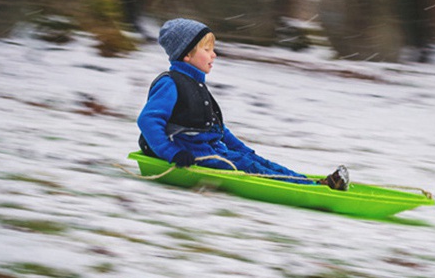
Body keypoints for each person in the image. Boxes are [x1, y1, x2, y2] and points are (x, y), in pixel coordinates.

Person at [137, 18, 349, 191]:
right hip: (191, 154)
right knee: (247, 166)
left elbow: (218, 130)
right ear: (186, 54)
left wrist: (244, 149)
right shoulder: (170, 83)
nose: (214, 54)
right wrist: (172, 153)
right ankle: (309, 190)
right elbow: (148, 120)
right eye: (207, 49)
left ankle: (313, 184)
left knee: (259, 162)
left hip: (211, 149)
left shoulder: (197, 86)